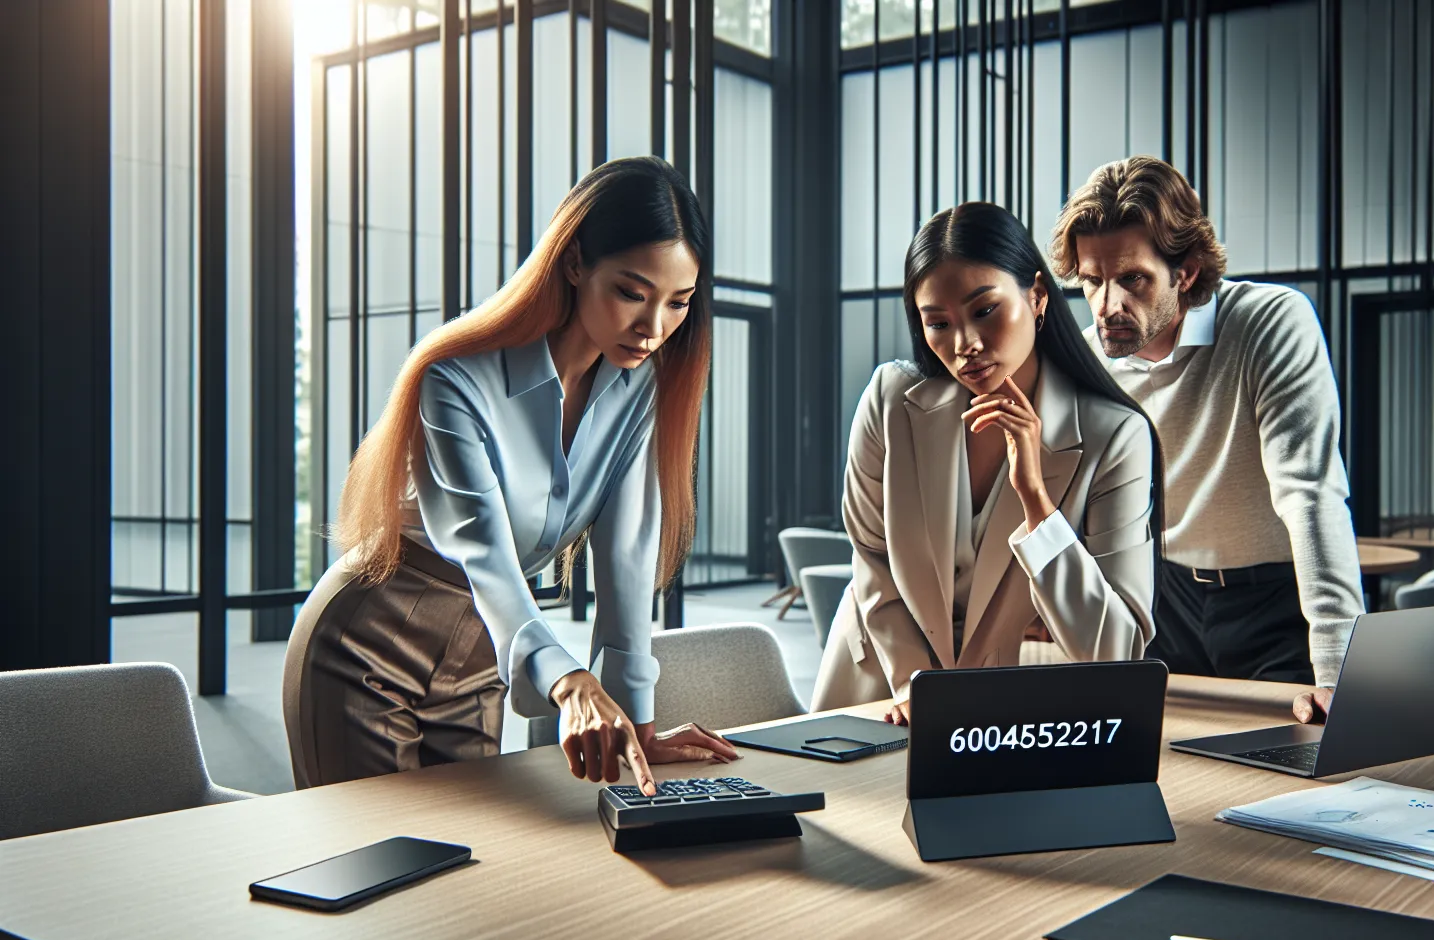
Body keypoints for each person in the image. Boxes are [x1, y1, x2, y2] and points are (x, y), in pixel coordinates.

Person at [284, 157, 737, 791]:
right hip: (368, 644)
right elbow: (485, 552)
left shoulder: (643, 393)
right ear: (575, 263)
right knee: (378, 871)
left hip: (481, 657)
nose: (654, 327)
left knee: (475, 875)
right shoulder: (455, 380)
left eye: (678, 303)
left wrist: (635, 723)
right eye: (633, 293)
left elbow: (627, 562)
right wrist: (567, 679)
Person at [812, 202, 1165, 724]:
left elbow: (1115, 651)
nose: (966, 345)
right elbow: (872, 557)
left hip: (1012, 711)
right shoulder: (891, 399)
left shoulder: (1115, 436)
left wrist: (1037, 506)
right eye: (939, 323)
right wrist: (916, 684)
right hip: (879, 689)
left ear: (1038, 296)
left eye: (984, 311)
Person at [1051, 156, 1364, 725]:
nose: (1106, 306)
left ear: (1187, 272)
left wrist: (1338, 669)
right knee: (1158, 767)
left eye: (1132, 280)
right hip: (1161, 597)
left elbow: (1310, 493)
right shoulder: (1087, 358)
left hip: (1273, 600)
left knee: (1299, 766)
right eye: (1092, 282)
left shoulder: (1269, 323)